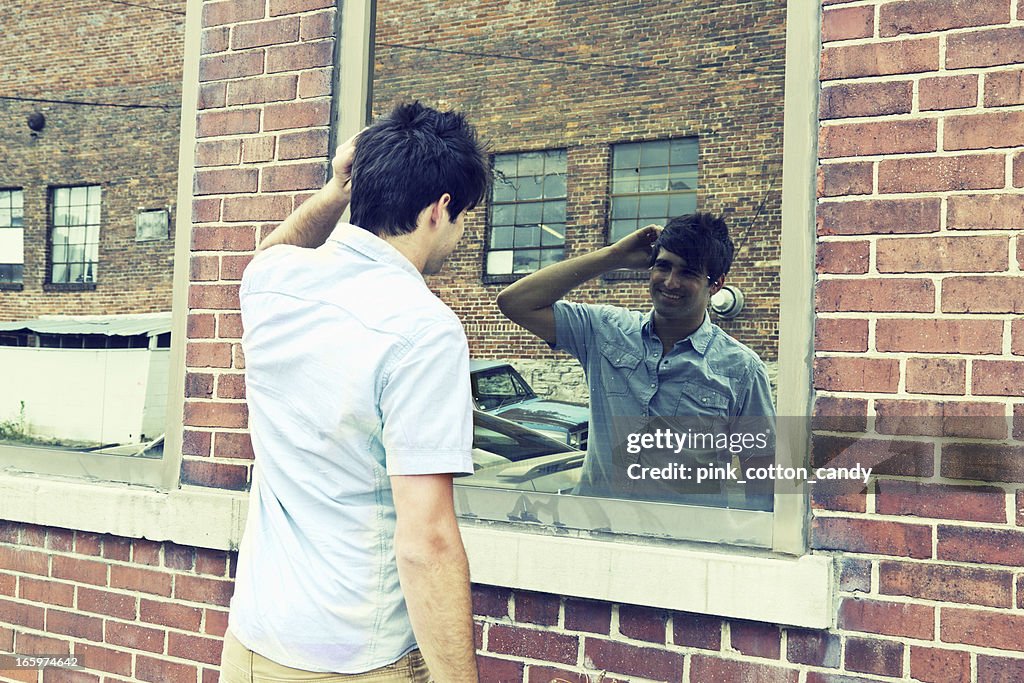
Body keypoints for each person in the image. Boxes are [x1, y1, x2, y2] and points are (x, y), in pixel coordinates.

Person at [220, 102, 488, 683]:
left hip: (252, 641)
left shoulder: (273, 284)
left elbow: (269, 253)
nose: (460, 234)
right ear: (440, 210)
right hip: (351, 658)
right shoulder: (424, 329)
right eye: (465, 217)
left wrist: (337, 187)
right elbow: (427, 541)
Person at [496, 213, 775, 504]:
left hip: (685, 541)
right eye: (662, 266)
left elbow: (764, 480)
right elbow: (515, 303)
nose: (670, 282)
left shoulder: (742, 369)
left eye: (688, 273)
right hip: (594, 533)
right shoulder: (604, 330)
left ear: (716, 284)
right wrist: (613, 255)